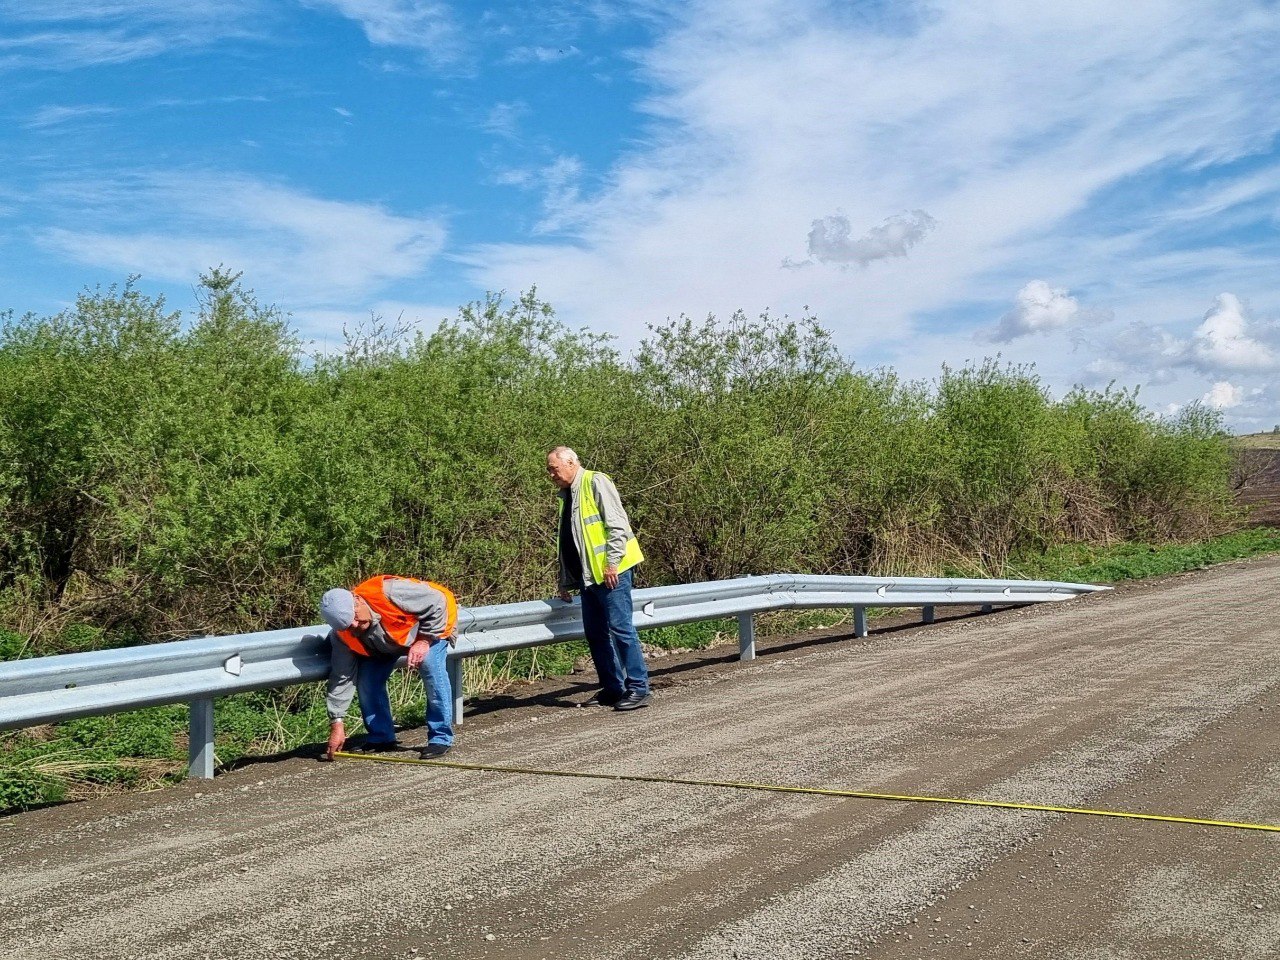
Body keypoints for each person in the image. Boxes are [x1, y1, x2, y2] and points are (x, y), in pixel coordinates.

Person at [546, 445, 651, 711]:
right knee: (596, 634)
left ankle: (638, 687)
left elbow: (617, 525)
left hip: (611, 573)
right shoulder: (567, 494)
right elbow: (570, 543)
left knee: (621, 629)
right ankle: (613, 688)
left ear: (570, 463)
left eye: (553, 469)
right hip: (588, 576)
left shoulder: (595, 481)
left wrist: (612, 564)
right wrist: (565, 580)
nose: (551, 475)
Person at [318, 575, 458, 760]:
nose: (355, 626)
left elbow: (437, 602)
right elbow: (342, 678)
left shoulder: (390, 592)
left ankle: (440, 738)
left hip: (434, 625)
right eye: (348, 626)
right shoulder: (343, 636)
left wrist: (424, 640)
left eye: (355, 618)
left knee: (430, 664)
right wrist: (337, 722)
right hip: (389, 640)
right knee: (368, 680)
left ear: (357, 599)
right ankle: (381, 737)